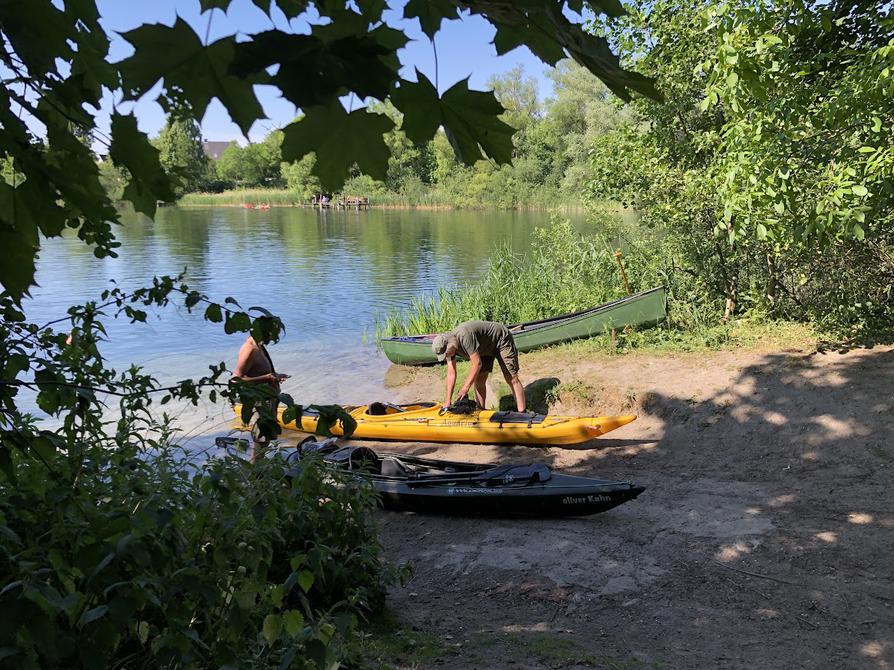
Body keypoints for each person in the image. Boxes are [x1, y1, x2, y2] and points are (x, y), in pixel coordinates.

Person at [431, 320, 526, 412]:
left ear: (450, 344)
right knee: (479, 380)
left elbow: (477, 364)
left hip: (500, 339)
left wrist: (465, 388)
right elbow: (451, 374)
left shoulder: (464, 336)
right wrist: (448, 400)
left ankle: (522, 412)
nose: (447, 356)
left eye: (447, 353)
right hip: (482, 348)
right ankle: (481, 412)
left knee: (511, 377)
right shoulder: (449, 350)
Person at [231, 333, 288, 462]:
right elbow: (235, 380)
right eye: (270, 333)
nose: (272, 337)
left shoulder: (260, 346)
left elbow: (261, 371)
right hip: (260, 403)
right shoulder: (249, 349)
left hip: (270, 400)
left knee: (266, 439)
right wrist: (267, 378)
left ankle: (259, 471)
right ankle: (255, 474)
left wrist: (275, 376)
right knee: (260, 440)